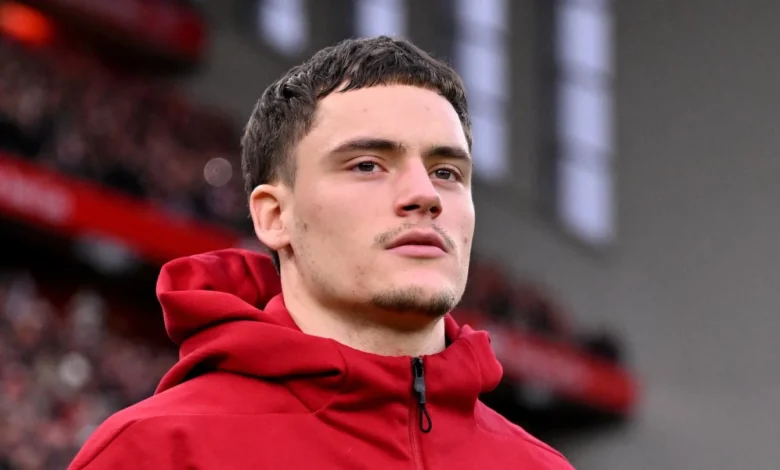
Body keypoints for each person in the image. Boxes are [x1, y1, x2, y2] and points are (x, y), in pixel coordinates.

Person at [68, 36, 575, 469]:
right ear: (274, 216)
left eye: (447, 172)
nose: (425, 195)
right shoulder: (153, 452)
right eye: (368, 165)